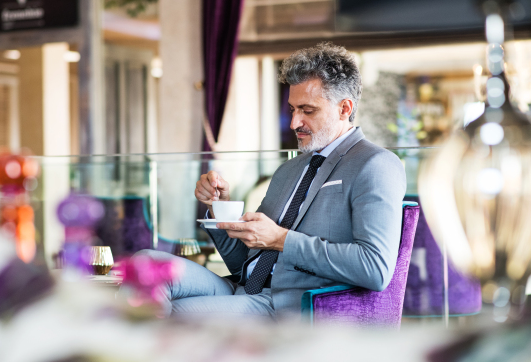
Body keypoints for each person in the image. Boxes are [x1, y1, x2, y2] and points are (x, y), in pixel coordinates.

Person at [141, 42, 406, 320]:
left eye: (307, 110)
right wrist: (220, 209)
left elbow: (375, 268)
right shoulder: (289, 170)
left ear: (344, 108)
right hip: (245, 289)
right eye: (292, 109)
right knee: (145, 264)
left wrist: (282, 240)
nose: (294, 123)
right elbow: (244, 261)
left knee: (171, 316)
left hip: (291, 305)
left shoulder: (375, 164)